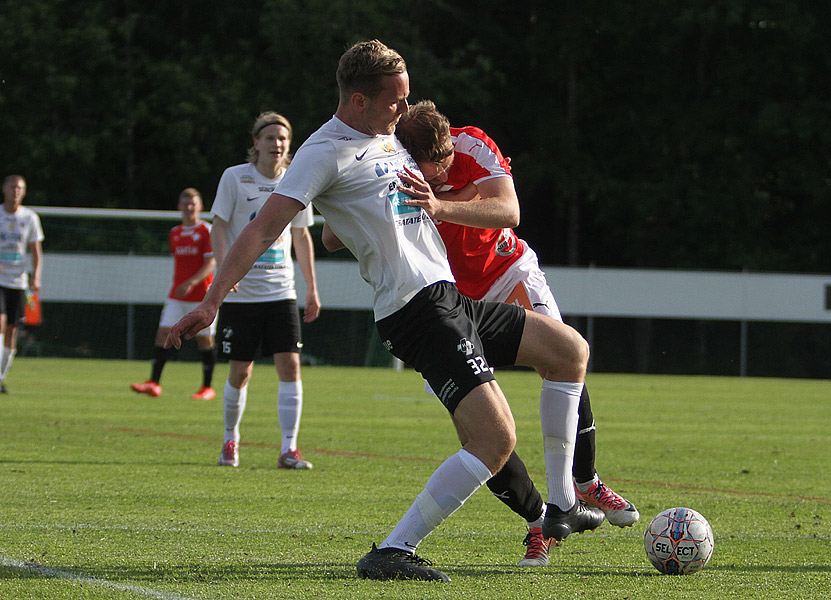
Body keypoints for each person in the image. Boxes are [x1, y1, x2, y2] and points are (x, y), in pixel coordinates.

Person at [166, 40, 601, 583]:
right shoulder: (322, 152)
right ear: (357, 100)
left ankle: (558, 504)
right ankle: (394, 549)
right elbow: (262, 226)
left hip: (450, 299)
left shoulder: (385, 137)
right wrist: (213, 299)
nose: (405, 108)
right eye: (396, 100)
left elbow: (338, 229)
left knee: (568, 351)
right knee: (495, 439)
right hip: (415, 310)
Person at [385, 100, 639, 567]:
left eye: (445, 163)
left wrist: (439, 203)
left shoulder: (472, 142)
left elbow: (509, 210)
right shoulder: (391, 164)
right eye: (432, 167)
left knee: (564, 354)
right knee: (477, 432)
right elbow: (336, 237)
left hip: (507, 273)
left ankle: (581, 485)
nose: (441, 172)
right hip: (447, 304)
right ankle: (541, 520)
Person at [208, 111, 321, 470]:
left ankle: (289, 449)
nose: (277, 144)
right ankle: (230, 440)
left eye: (283, 139)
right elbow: (218, 227)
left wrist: (311, 289)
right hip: (242, 295)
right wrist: (228, 271)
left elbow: (301, 236)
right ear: (256, 143)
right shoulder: (234, 178)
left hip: (281, 292)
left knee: (290, 365)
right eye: (270, 138)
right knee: (241, 370)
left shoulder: (296, 180)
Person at [131, 188, 218, 400]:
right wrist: (183, 284)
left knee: (204, 340)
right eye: (185, 203)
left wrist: (192, 282)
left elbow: (211, 263)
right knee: (163, 333)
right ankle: (153, 383)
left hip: (202, 296)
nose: (189, 207)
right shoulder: (175, 233)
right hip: (176, 296)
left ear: (200, 206)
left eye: (193, 203)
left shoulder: (207, 230)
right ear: (179, 206)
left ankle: (207, 387)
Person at [0, 175, 43, 394]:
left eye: (20, 188)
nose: (15, 191)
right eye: (12, 186)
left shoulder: (30, 218)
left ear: (23, 192)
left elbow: (36, 251)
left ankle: (1, 377)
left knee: (12, 330)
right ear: (4, 189)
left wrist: (36, 276)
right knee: (0, 322)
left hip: (17, 281)